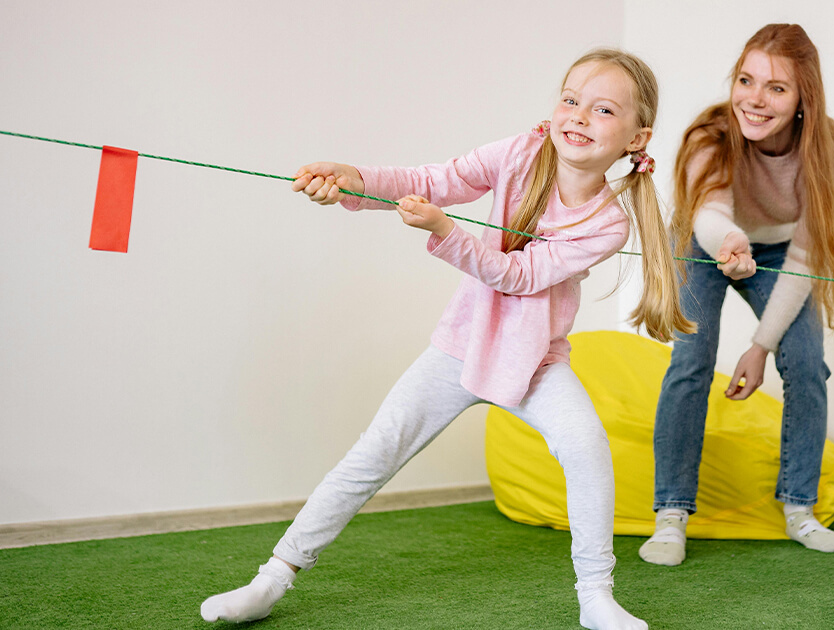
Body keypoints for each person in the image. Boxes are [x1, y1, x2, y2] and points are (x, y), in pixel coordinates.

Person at [200, 48, 692, 630]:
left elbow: (521, 277)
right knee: (374, 452)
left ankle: (596, 598)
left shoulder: (609, 222)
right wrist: (354, 180)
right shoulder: (519, 152)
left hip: (536, 361)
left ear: (637, 138)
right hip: (462, 343)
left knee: (586, 450)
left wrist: (444, 230)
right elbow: (436, 179)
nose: (580, 115)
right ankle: (272, 579)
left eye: (603, 109)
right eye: (570, 98)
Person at [639, 23, 834, 567]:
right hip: (707, 238)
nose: (754, 100)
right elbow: (709, 214)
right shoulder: (708, 136)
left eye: (777, 88)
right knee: (690, 359)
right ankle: (670, 514)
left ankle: (799, 507)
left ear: (804, 96)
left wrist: (760, 346)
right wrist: (729, 243)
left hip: (785, 252)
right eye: (746, 80)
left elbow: (807, 254)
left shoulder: (833, 149)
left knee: (807, 362)